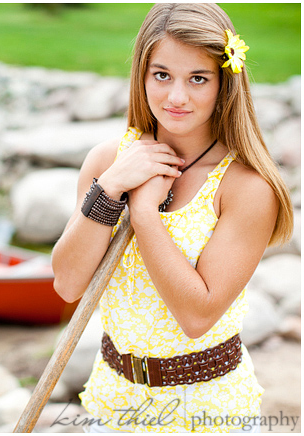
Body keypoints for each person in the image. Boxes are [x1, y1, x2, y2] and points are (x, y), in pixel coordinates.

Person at [51, 3, 293, 433]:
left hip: (208, 412)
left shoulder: (245, 186)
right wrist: (108, 190)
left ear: (225, 84)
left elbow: (197, 317)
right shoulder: (109, 161)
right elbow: (68, 284)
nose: (176, 97)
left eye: (197, 78)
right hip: (114, 405)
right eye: (161, 75)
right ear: (142, 75)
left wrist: (144, 212)